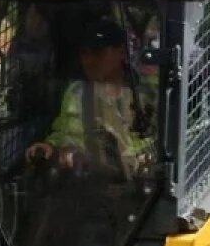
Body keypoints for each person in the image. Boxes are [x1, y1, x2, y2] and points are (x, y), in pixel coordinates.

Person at [25, 17, 154, 182]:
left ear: (121, 52)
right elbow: (63, 132)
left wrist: (101, 158)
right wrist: (51, 147)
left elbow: (149, 150)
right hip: (79, 185)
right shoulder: (75, 92)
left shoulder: (144, 96)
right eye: (84, 53)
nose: (89, 60)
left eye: (98, 53)